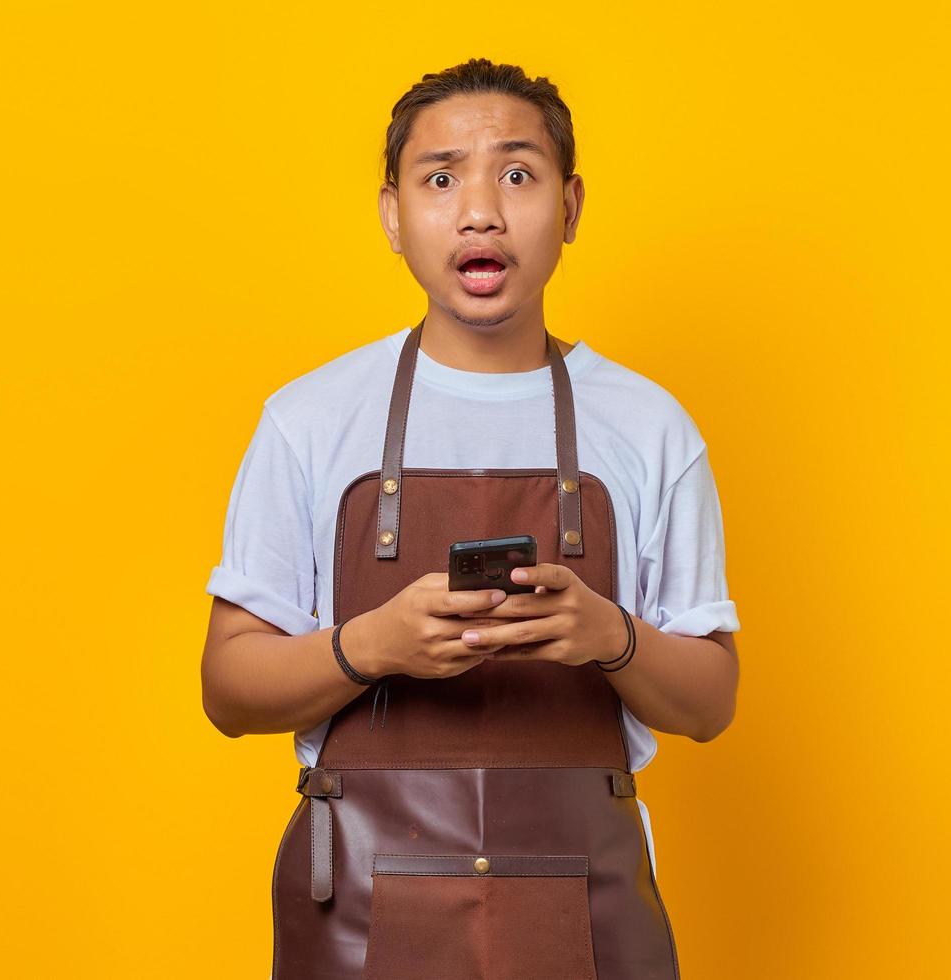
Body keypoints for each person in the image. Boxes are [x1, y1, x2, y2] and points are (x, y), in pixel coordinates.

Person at [201, 57, 740, 979]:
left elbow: (711, 701)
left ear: (570, 208)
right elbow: (227, 689)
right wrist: (371, 645)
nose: (480, 209)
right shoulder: (309, 418)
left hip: (586, 901)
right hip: (362, 906)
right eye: (441, 177)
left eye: (517, 174)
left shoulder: (651, 426)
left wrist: (607, 634)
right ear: (392, 215)